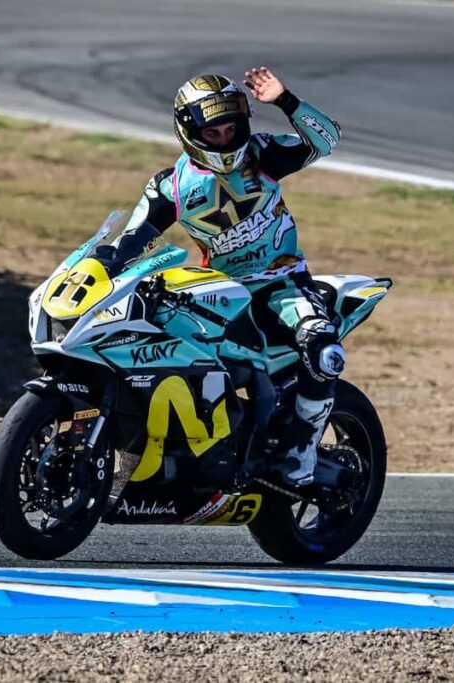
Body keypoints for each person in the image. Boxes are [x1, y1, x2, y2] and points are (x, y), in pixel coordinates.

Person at [110, 67, 343, 486]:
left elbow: (328, 140)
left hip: (281, 281)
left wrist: (286, 101)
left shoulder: (262, 153)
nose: (224, 139)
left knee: (323, 347)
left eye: (230, 129)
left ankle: (300, 458)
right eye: (212, 133)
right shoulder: (172, 187)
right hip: (219, 289)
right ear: (189, 133)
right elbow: (132, 239)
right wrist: (103, 267)